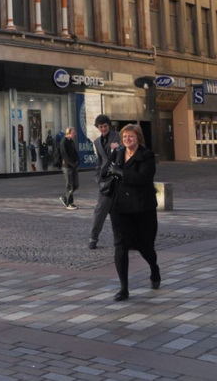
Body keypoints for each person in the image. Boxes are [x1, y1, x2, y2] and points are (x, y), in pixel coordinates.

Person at [104, 124, 161, 301]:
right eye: (125, 137)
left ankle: (154, 268)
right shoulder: (117, 153)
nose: (127, 140)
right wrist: (108, 174)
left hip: (142, 208)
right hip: (120, 207)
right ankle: (124, 288)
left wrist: (120, 172)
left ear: (138, 138)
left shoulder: (147, 155)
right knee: (120, 245)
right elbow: (106, 171)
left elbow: (144, 178)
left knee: (145, 247)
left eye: (131, 137)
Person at [89, 114, 120, 250]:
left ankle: (124, 240)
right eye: (100, 127)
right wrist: (98, 177)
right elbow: (100, 161)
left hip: (119, 178)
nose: (103, 129)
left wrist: (117, 148)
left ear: (109, 125)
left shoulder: (119, 136)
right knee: (100, 210)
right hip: (105, 180)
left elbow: (125, 153)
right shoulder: (96, 142)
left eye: (105, 126)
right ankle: (93, 238)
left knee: (121, 211)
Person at [54, 127, 80, 210]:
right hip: (67, 167)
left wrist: (77, 161)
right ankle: (69, 203)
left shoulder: (71, 141)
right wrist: (72, 164)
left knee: (76, 184)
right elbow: (64, 155)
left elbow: (75, 152)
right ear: (68, 133)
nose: (74, 134)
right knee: (69, 186)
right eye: (73, 132)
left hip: (73, 166)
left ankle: (65, 197)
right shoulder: (64, 142)